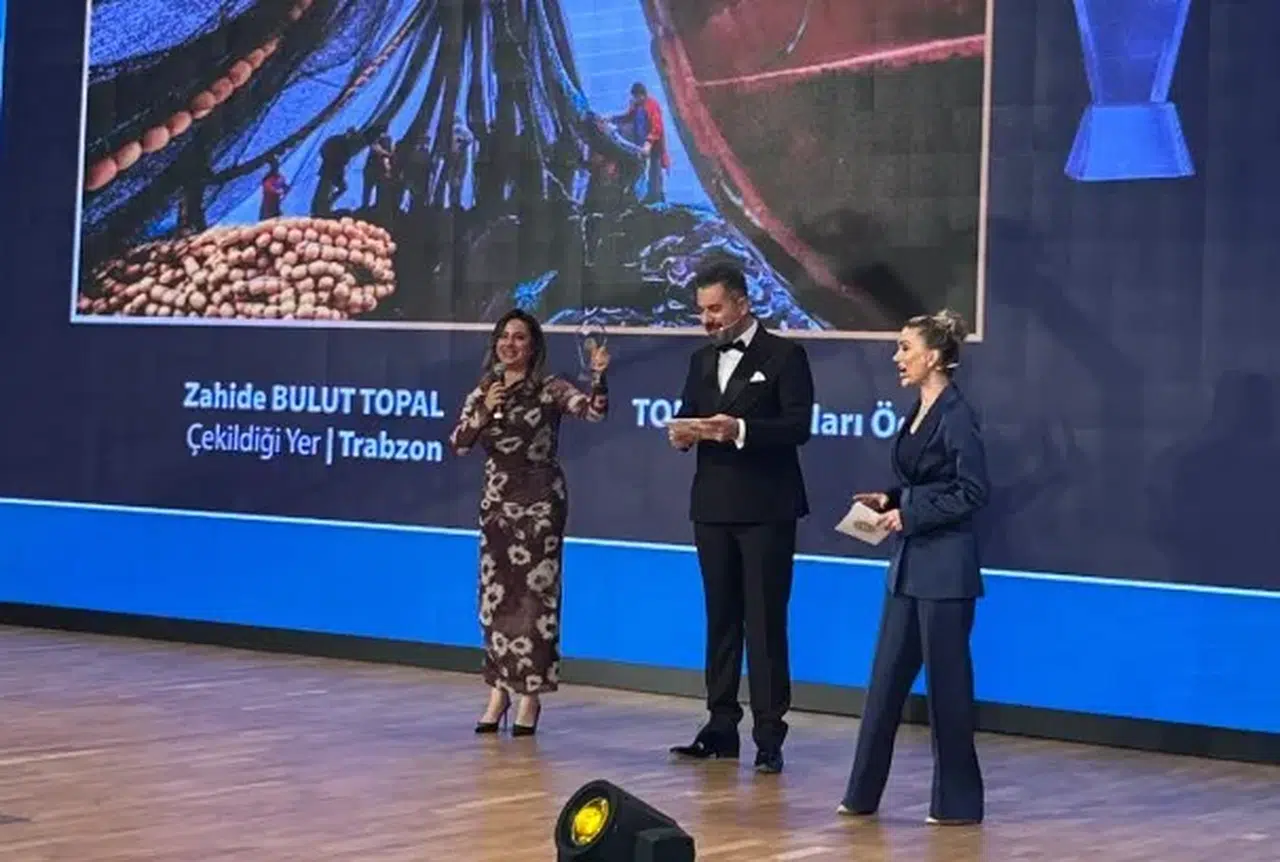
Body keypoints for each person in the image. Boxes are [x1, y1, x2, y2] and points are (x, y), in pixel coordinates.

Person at [837, 309, 989, 825]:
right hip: (906, 569)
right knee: (883, 686)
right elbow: (927, 481)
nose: (897, 357)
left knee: (948, 692)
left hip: (945, 572)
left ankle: (957, 805)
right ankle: (861, 795)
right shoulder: (919, 408)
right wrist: (891, 498)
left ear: (935, 356)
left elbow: (972, 491)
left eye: (905, 347)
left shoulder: (957, 415)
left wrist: (910, 513)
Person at [666, 261, 815, 774]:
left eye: (715, 309)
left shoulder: (785, 355)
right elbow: (689, 412)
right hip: (712, 506)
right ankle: (720, 728)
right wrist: (683, 434)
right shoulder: (699, 360)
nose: (707, 320)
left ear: (742, 304)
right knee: (721, 619)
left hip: (766, 508)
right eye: (701, 311)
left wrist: (741, 430)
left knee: (765, 623)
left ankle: (770, 736)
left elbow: (798, 426)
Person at [448, 309, 609, 736]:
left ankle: (530, 697)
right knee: (496, 601)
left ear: (533, 345)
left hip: (539, 503)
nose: (510, 344)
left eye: (519, 337)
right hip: (497, 504)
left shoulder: (549, 388)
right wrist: (484, 410)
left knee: (534, 602)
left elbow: (592, 412)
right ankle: (498, 691)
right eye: (504, 337)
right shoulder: (485, 391)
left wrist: (598, 378)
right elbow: (459, 443)